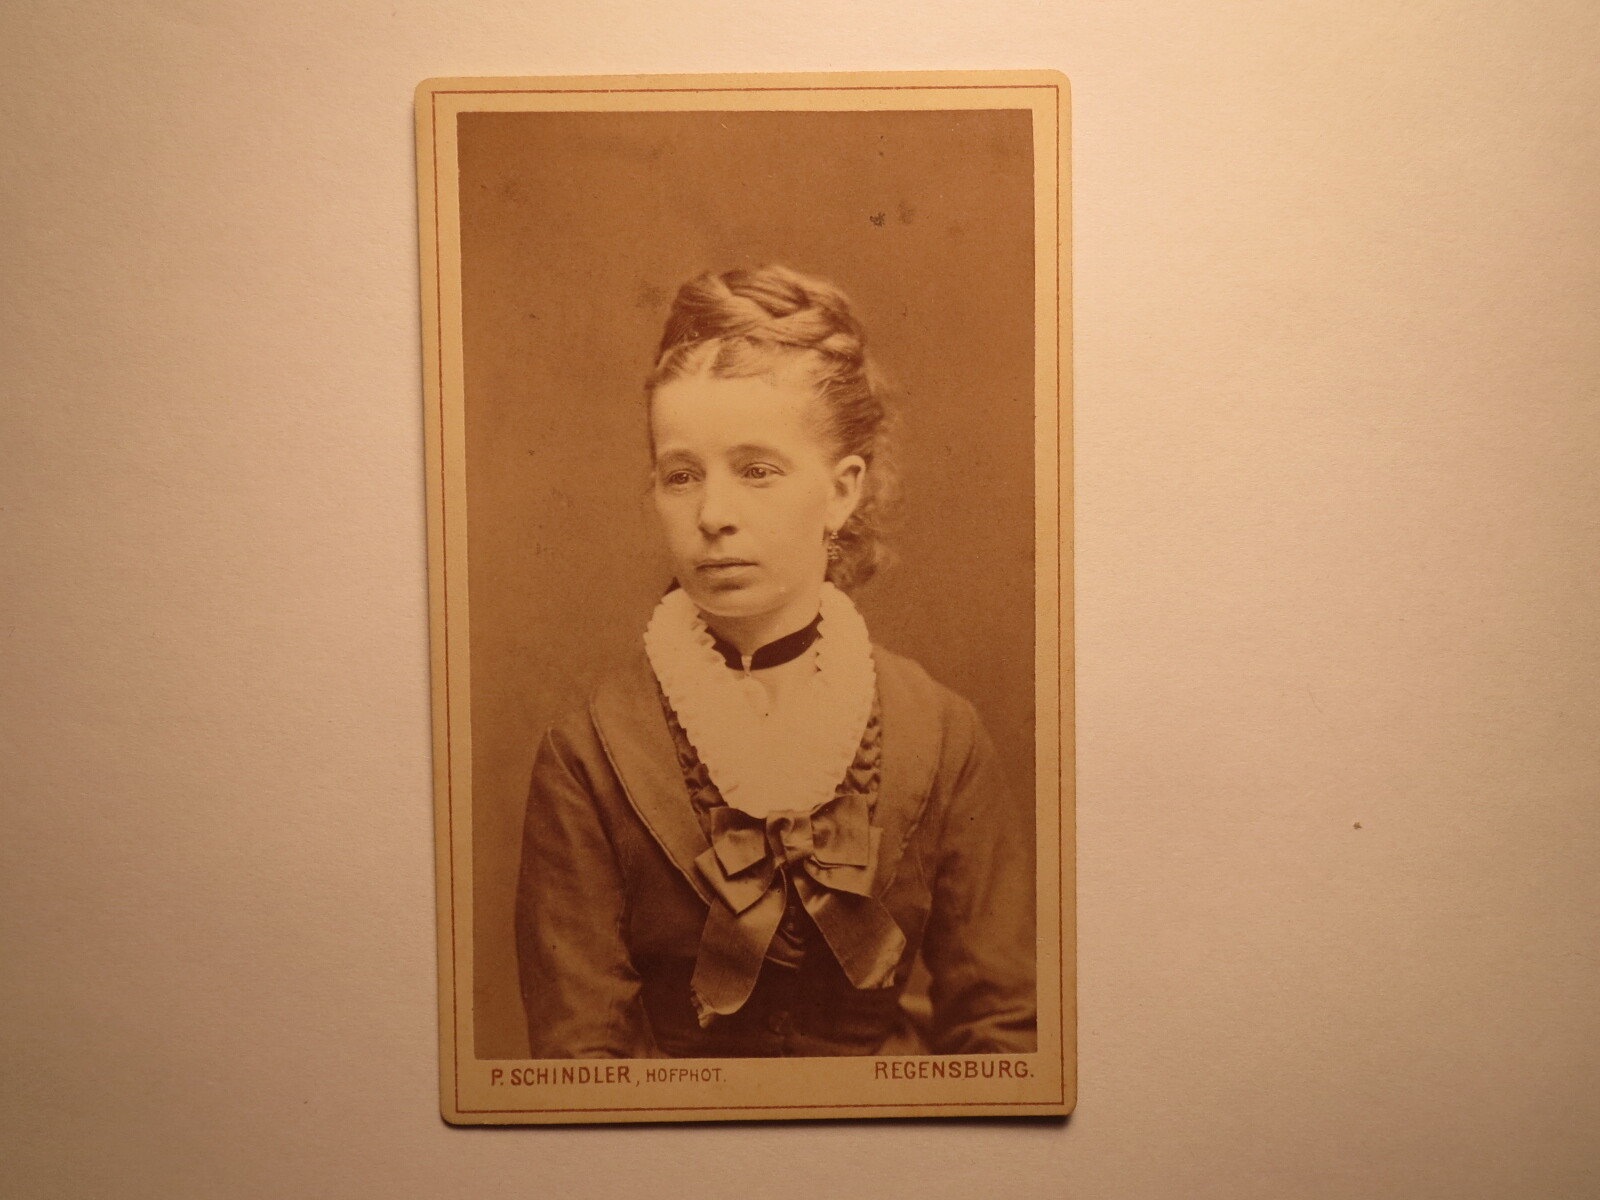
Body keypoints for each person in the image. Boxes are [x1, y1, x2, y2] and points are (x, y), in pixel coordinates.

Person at [515, 265, 1035, 1058]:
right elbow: (584, 1060)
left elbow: (1008, 1036)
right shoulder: (588, 753)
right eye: (681, 475)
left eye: (757, 471)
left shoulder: (942, 735)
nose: (714, 515)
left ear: (842, 491)